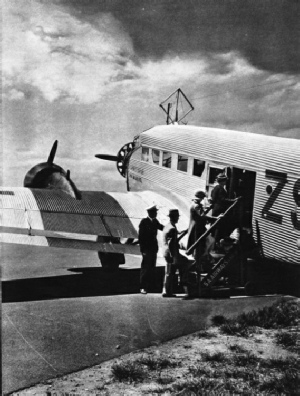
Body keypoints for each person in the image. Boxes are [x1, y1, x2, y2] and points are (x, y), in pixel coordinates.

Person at [186, 189, 219, 269]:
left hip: (196, 227)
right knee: (204, 243)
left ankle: (202, 258)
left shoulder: (194, 204)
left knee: (200, 244)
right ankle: (201, 262)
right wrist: (215, 218)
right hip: (197, 228)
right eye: (202, 198)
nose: (202, 200)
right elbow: (202, 216)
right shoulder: (197, 205)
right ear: (200, 198)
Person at [162, 208, 189, 298]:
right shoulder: (172, 228)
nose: (178, 218)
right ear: (175, 217)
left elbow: (174, 238)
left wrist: (183, 233)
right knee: (175, 269)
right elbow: (171, 243)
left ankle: (167, 290)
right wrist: (173, 256)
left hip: (168, 252)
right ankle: (181, 284)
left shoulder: (168, 226)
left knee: (169, 272)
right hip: (171, 253)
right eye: (177, 217)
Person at [138, 205, 164, 294]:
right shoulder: (144, 222)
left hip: (153, 248)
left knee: (152, 267)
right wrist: (143, 250)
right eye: (155, 212)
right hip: (146, 249)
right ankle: (143, 287)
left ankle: (150, 286)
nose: (156, 213)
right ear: (150, 213)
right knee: (145, 267)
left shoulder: (155, 221)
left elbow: (161, 227)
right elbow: (141, 237)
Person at [210, 173, 237, 247]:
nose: (226, 182)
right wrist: (233, 200)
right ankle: (216, 243)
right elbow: (223, 199)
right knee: (219, 225)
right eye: (225, 180)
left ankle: (216, 242)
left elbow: (213, 198)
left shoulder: (216, 188)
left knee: (216, 225)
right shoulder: (220, 189)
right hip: (220, 210)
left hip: (216, 209)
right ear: (222, 181)